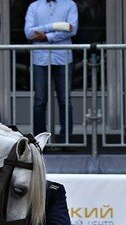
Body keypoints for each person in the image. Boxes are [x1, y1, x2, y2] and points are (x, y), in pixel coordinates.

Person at [24, 0, 78, 143]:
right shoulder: (34, 6)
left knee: (65, 100)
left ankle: (65, 140)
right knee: (40, 100)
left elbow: (72, 29)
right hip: (41, 57)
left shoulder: (69, 4)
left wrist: (46, 35)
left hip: (63, 57)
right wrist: (56, 27)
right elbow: (29, 33)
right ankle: (39, 142)